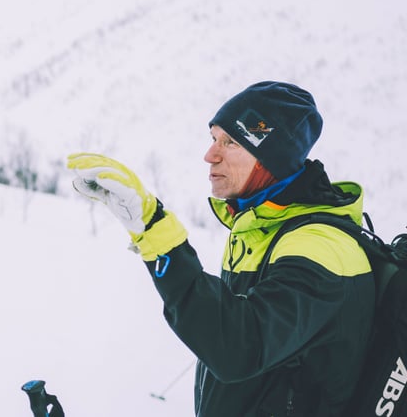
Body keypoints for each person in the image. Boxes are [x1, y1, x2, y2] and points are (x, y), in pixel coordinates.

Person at [66, 81, 374, 416]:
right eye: (214, 138)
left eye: (231, 142)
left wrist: (155, 228)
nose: (210, 155)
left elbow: (239, 348)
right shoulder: (259, 228)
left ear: (272, 159)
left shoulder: (320, 247)